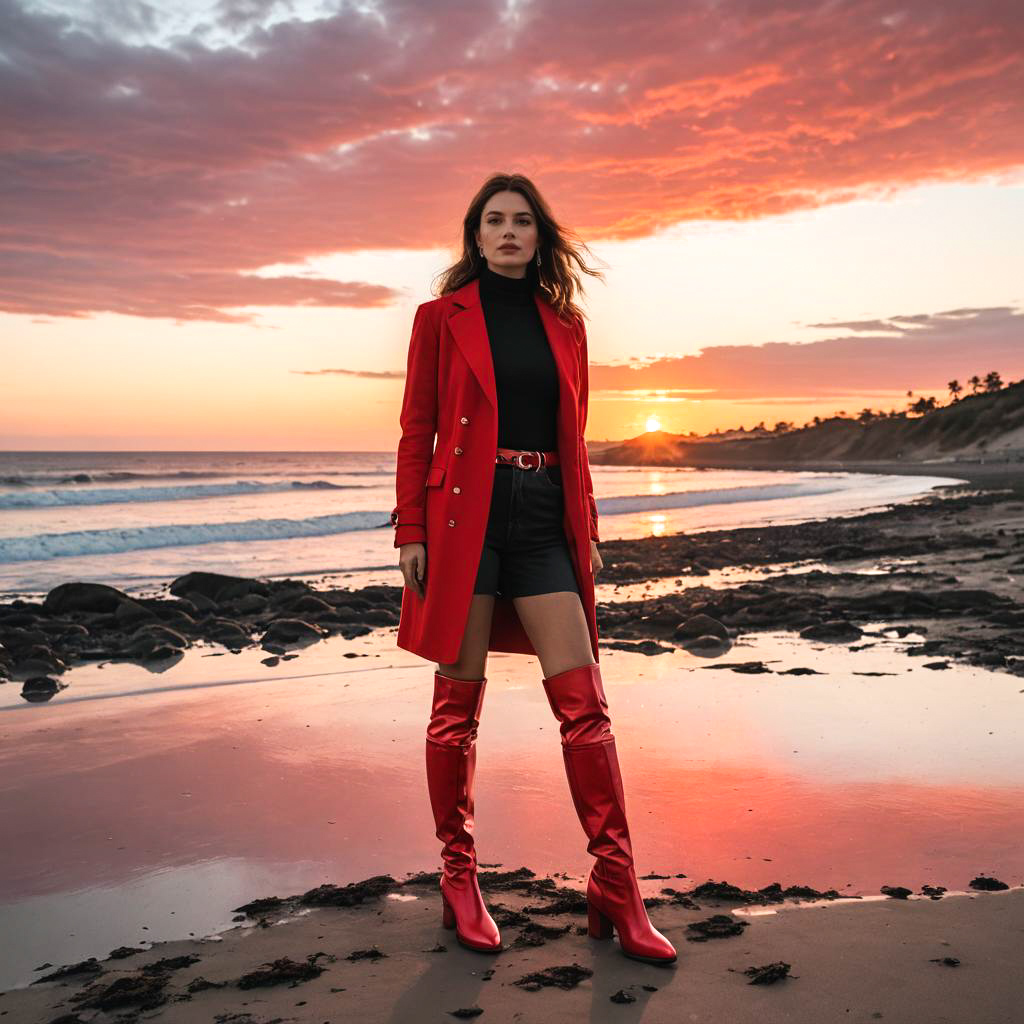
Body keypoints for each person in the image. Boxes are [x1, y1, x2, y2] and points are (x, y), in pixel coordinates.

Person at [391, 173, 676, 966]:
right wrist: (408, 527)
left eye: (522, 221)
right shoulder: (439, 319)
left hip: (544, 515)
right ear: (475, 236)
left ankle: (616, 886)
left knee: (586, 704)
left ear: (539, 236)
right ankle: (459, 877)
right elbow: (417, 425)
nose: (509, 232)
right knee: (457, 707)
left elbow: (575, 436)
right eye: (495, 221)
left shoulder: (567, 326)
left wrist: (584, 525)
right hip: (462, 521)